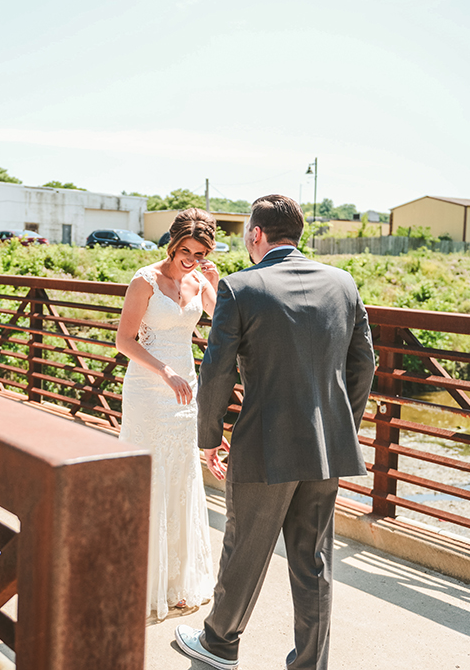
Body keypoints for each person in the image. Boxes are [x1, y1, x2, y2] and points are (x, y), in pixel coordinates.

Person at [175, 195, 375, 670]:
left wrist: (208, 438)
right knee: (314, 563)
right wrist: (341, 426)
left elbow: (217, 372)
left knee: (244, 548)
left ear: (256, 235)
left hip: (263, 447)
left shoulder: (240, 287)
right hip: (325, 448)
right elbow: (364, 363)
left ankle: (220, 644)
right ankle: (310, 664)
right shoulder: (343, 284)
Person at [116, 208, 223, 621]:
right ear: (172, 244)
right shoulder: (144, 281)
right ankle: (142, 578)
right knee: (150, 475)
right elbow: (124, 340)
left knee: (181, 474)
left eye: (199, 254)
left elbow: (220, 324)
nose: (190, 260)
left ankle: (178, 581)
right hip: (149, 388)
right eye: (185, 251)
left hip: (186, 391)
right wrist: (164, 370)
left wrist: (213, 284)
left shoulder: (199, 278)